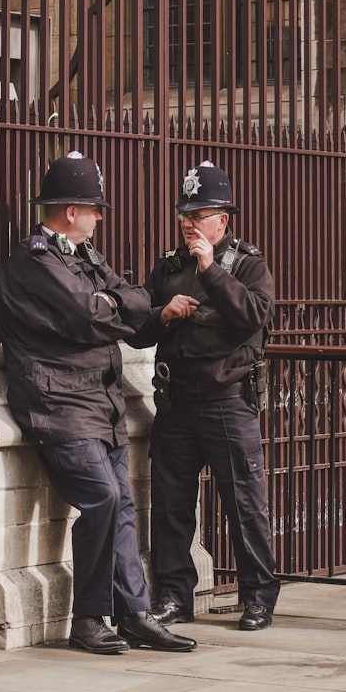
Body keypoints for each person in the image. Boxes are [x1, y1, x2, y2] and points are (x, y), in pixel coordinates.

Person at [0, 151, 197, 655]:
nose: (100, 217)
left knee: (122, 504)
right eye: (95, 208)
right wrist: (111, 307)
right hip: (58, 405)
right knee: (104, 499)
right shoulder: (34, 259)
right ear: (72, 210)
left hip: (98, 403)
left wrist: (113, 305)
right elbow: (89, 317)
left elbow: (130, 300)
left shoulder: (83, 255)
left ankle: (132, 614)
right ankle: (88, 617)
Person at [127, 160, 280, 631]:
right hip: (176, 404)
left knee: (245, 506)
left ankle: (257, 597)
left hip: (228, 403)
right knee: (171, 509)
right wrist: (163, 316)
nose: (190, 224)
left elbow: (253, 316)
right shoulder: (168, 269)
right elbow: (136, 331)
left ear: (223, 221)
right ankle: (174, 597)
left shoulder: (249, 266)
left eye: (201, 214)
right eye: (185, 215)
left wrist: (211, 269)